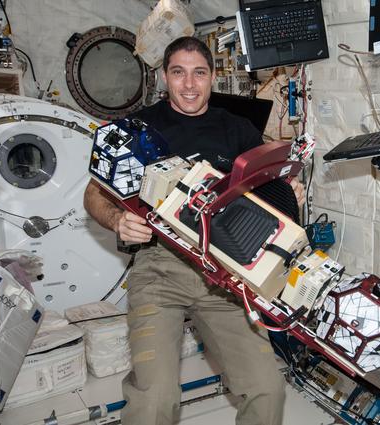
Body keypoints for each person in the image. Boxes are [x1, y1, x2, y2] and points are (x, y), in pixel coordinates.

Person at [83, 36, 303, 425]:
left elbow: (266, 192)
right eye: (178, 73)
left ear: (213, 77)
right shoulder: (140, 129)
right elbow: (93, 194)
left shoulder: (237, 130)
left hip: (223, 275)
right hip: (160, 269)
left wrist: (289, 195)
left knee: (268, 389)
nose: (189, 84)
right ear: (164, 77)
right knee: (155, 399)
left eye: (199, 73)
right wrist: (117, 220)